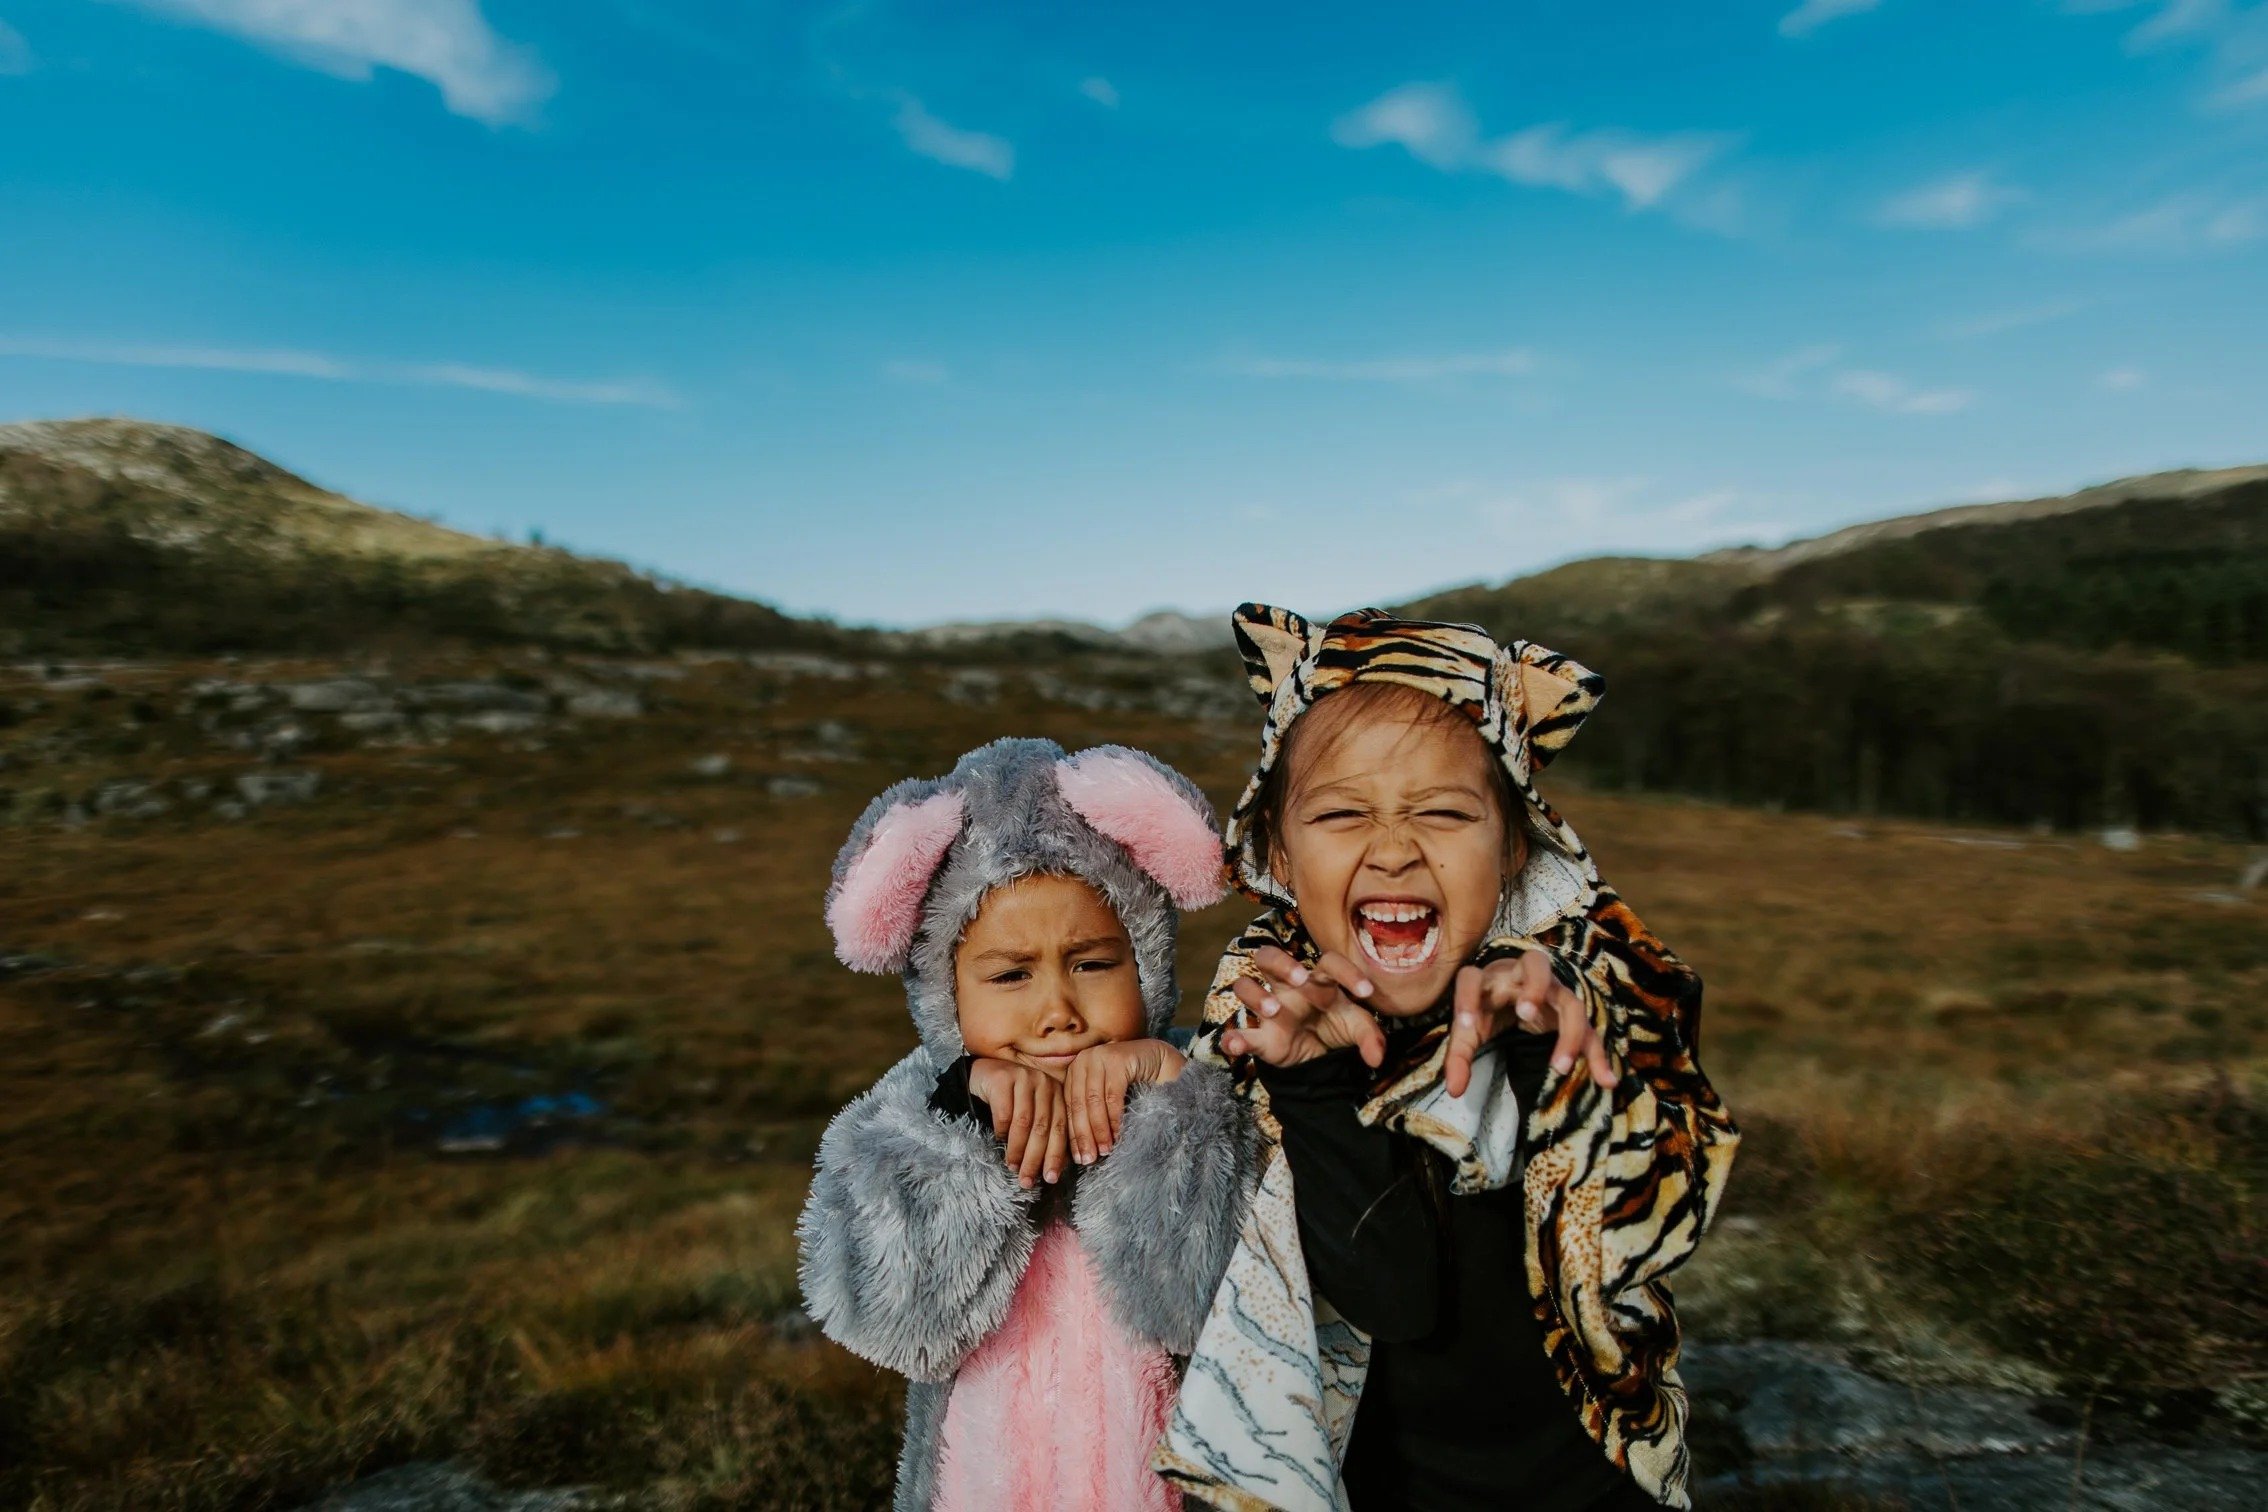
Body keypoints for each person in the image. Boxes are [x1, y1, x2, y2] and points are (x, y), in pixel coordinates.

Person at [1155, 606, 1740, 1512]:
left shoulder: (1583, 997)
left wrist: (1562, 1054)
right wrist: (1314, 1084)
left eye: (1444, 811)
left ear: (1512, 847)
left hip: (1586, 1488)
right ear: (1274, 847)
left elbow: (1657, 1211)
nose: (1394, 848)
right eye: (1342, 811)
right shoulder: (1260, 1022)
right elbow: (1390, 1295)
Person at [796, 736, 1259, 1512]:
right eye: (1010, 975)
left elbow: (1200, 1309)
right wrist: (965, 1126)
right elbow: (894, 1322)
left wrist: (1177, 1110)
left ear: (1144, 958)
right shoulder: (915, 1110)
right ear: (946, 988)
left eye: (1092, 964)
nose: (1056, 1013)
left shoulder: (1205, 1089)